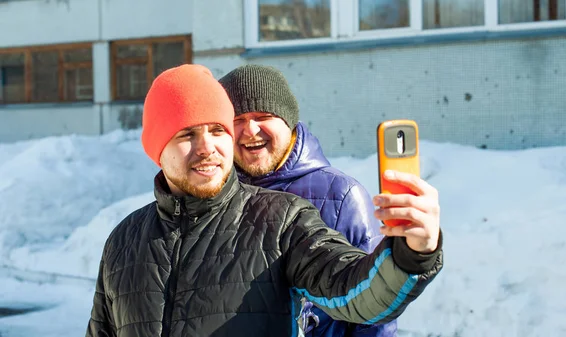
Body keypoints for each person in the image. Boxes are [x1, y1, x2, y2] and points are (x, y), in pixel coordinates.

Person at [85, 64, 443, 337]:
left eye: (217, 130)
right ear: (158, 150)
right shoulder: (124, 241)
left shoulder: (283, 220)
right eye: (187, 134)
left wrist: (411, 253)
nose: (207, 146)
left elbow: (356, 292)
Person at [218, 64, 397, 337]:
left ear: (288, 121)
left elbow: (374, 312)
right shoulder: (216, 196)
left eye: (263, 116)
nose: (250, 130)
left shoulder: (341, 196)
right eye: (237, 119)